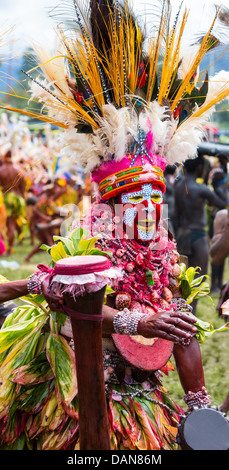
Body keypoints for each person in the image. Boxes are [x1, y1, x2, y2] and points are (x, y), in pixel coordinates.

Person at [0, 0, 229, 451]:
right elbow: (71, 305)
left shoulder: (163, 249)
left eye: (154, 196)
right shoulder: (91, 234)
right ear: (112, 199)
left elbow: (179, 328)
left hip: (143, 389)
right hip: (81, 386)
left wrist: (200, 404)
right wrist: (139, 318)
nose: (146, 207)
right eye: (134, 198)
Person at [174, 154, 226, 312]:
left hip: (182, 234)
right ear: (198, 168)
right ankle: (191, 316)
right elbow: (224, 203)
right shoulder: (201, 188)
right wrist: (219, 185)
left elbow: (175, 215)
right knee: (197, 280)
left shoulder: (178, 187)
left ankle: (180, 314)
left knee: (181, 280)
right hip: (197, 235)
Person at [0, 147, 26, 254]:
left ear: (4, 158)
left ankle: (5, 247)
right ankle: (9, 249)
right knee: (11, 225)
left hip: (5, 199)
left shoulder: (1, 170)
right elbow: (23, 188)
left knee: (4, 223)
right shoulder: (19, 170)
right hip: (17, 200)